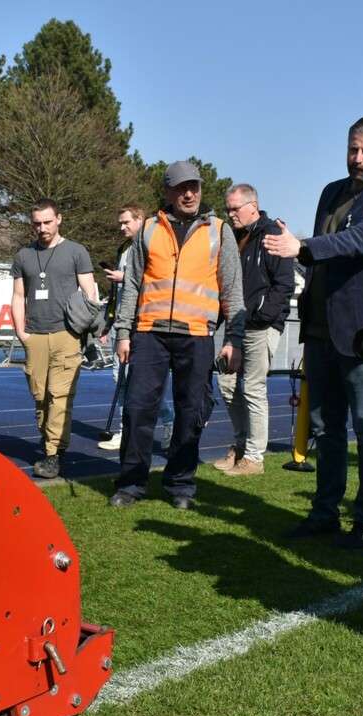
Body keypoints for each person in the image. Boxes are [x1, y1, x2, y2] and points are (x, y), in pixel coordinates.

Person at [264, 117, 363, 549]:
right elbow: (325, 253)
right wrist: (300, 249)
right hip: (321, 328)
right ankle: (325, 512)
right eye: (352, 150)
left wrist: (304, 246)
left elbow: (360, 241)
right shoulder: (331, 192)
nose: (357, 159)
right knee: (325, 428)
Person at [111, 160, 245, 509]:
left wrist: (234, 339)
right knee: (138, 410)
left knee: (191, 412)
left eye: (195, 187)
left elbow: (232, 290)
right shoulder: (148, 230)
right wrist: (123, 332)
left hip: (197, 335)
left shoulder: (220, 230)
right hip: (148, 334)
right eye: (182, 188)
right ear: (168, 192)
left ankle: (181, 486)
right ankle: (130, 484)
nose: (189, 193)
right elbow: (132, 287)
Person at [10, 199, 97, 479]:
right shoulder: (24, 255)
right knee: (40, 398)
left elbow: (90, 294)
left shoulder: (76, 251)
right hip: (34, 335)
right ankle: (49, 441)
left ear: (59, 219)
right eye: (37, 223)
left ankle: (54, 453)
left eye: (47, 222)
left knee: (59, 397)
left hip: (67, 335)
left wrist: (89, 330)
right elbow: (17, 295)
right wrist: (21, 332)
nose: (42, 228)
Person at [213, 184, 294, 476]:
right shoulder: (236, 239)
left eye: (234, 208)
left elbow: (284, 284)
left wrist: (262, 315)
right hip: (236, 324)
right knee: (226, 383)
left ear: (253, 206)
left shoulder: (272, 234)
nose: (230, 214)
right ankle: (241, 445)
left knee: (253, 388)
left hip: (261, 325)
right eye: (228, 209)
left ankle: (255, 457)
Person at [98, 204, 174, 452]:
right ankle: (124, 431)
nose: (122, 227)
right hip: (123, 324)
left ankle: (169, 420)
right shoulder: (124, 249)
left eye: (126, 222)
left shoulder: (153, 245)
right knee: (119, 379)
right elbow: (117, 295)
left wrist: (126, 278)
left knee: (141, 382)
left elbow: (159, 283)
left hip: (144, 325)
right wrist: (110, 325)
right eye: (120, 223)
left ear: (140, 220)